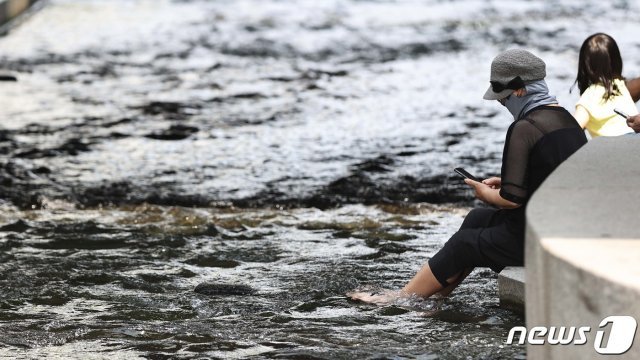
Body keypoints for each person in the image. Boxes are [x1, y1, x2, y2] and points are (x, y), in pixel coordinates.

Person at [348, 49, 588, 304]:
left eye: (503, 97)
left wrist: (486, 193)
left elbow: (511, 200)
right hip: (564, 228)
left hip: (539, 239)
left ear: (519, 90)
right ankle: (433, 298)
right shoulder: (566, 120)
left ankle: (402, 298)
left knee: (466, 243)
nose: (501, 103)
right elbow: (551, 174)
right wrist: (507, 182)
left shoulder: (524, 127)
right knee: (476, 219)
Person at [573, 33, 638, 137]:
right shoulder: (621, 85)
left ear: (584, 65)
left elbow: (571, 132)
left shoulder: (588, 98)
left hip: (615, 149)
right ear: (617, 60)